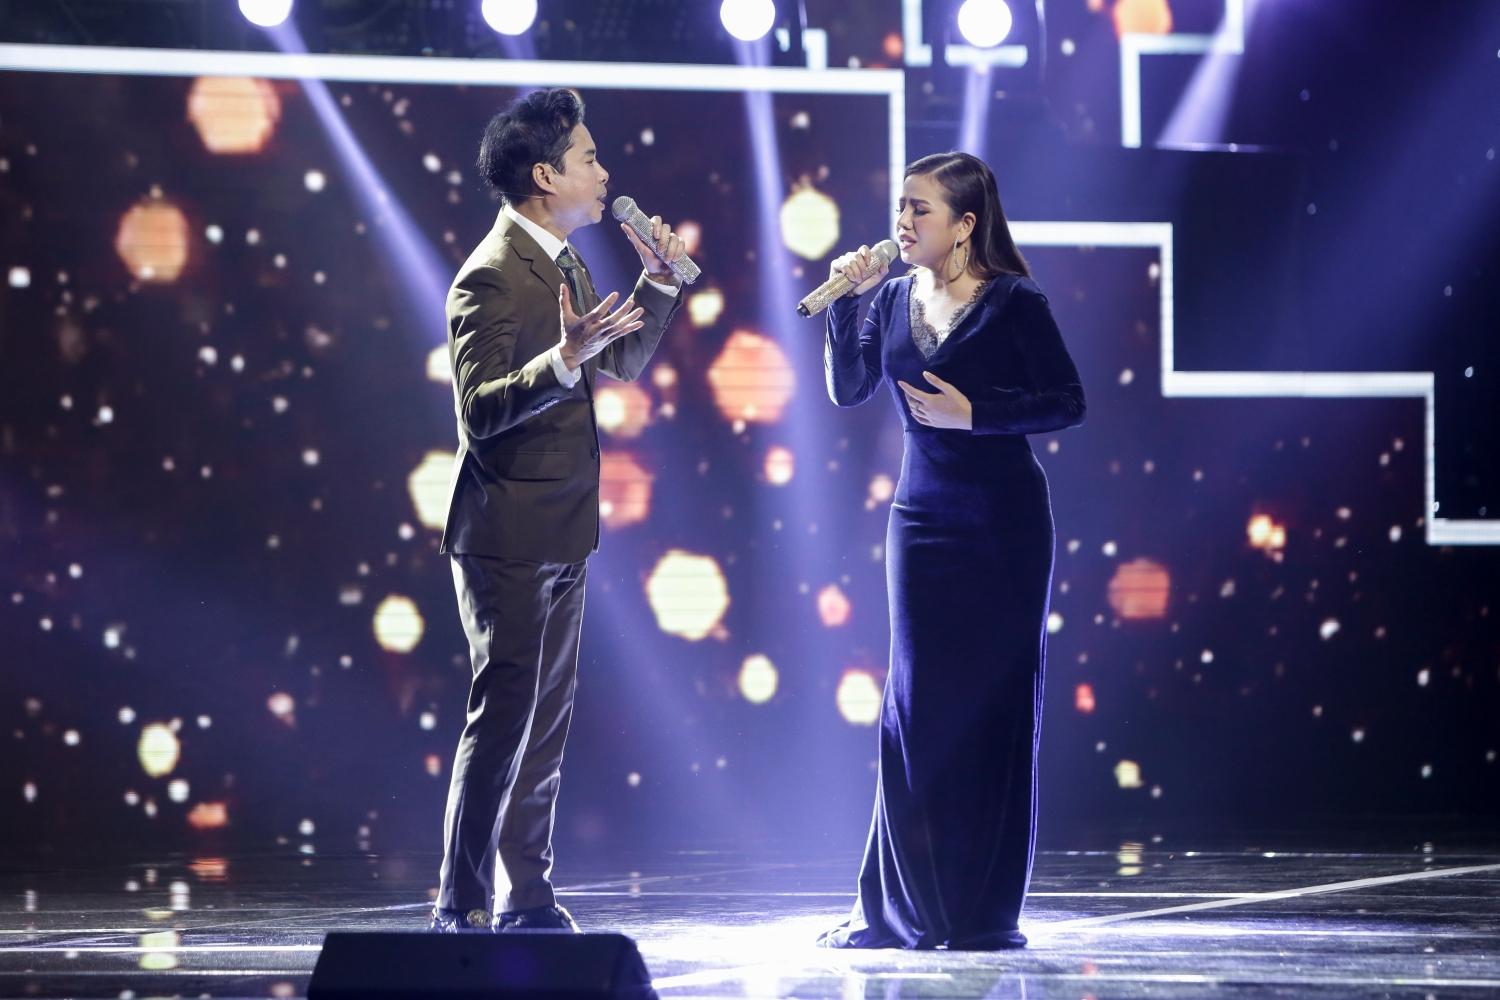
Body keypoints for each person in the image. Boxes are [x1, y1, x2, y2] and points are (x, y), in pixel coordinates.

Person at [430, 88, 687, 933]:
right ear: (545, 176)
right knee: (504, 720)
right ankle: (462, 904)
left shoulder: (565, 261)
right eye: (588, 158)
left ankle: (527, 895)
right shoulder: (492, 273)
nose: (604, 173)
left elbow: (623, 361)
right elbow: (480, 410)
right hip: (506, 532)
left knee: (545, 727)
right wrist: (563, 359)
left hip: (565, 527)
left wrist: (657, 283)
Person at [816, 151, 1085, 950]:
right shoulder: (891, 296)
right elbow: (849, 388)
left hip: (1004, 525)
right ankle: (905, 908)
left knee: (996, 704)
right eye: (900, 206)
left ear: (965, 225)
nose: (902, 222)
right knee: (915, 707)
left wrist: (979, 415)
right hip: (921, 522)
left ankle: (980, 912)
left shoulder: (1015, 300)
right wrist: (845, 304)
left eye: (920, 209)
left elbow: (1067, 400)